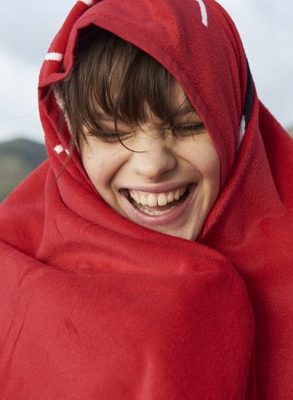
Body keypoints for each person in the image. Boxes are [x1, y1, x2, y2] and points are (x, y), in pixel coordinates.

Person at [0, 0, 292, 398]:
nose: (153, 165)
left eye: (190, 125)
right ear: (70, 140)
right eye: (109, 132)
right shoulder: (14, 272)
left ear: (234, 125)